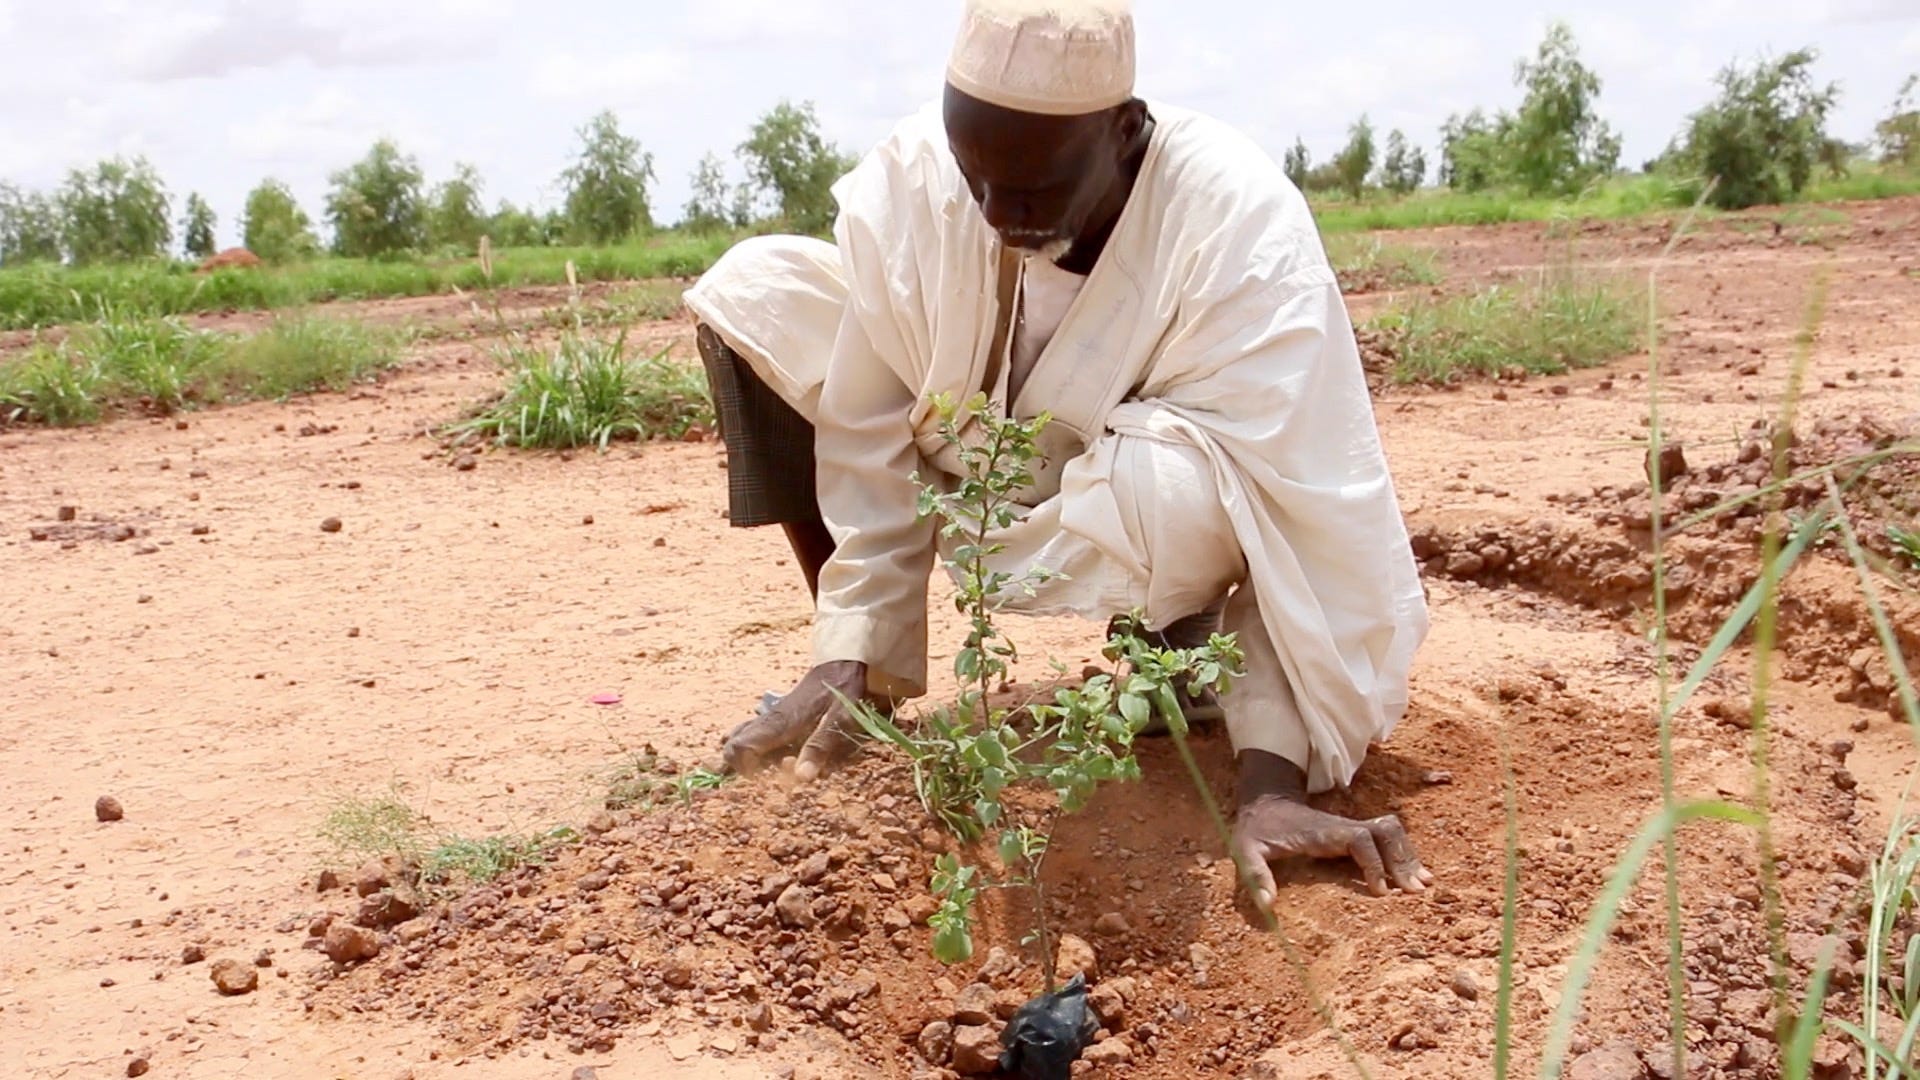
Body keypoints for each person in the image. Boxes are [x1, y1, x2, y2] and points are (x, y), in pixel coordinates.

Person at [683, 0, 1432, 904]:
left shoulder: (1238, 226)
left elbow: (1306, 510)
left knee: (1170, 482)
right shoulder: (920, 180)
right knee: (755, 290)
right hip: (964, 450)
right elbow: (864, 421)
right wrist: (851, 646)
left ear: (1122, 132)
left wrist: (1272, 787)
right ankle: (861, 693)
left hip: (1130, 489)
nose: (997, 214)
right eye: (978, 180)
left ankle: (1182, 659)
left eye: (1032, 190)